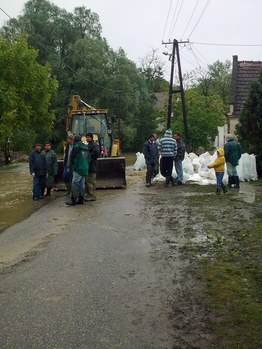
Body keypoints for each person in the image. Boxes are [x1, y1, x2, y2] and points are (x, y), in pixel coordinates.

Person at [65, 135, 90, 206]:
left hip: (78, 169)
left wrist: (73, 166)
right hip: (85, 168)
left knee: (75, 183)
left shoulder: (76, 147)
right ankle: (81, 199)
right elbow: (86, 158)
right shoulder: (86, 148)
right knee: (82, 184)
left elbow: (72, 159)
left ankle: (73, 200)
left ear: (75, 140)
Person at [85, 133, 100, 201]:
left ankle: (92, 196)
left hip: (92, 166)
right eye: (86, 137)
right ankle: (88, 194)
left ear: (91, 138)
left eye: (88, 137)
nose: (87, 138)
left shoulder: (94, 145)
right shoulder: (89, 145)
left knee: (91, 182)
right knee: (88, 181)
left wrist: (89, 156)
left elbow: (96, 152)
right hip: (89, 166)